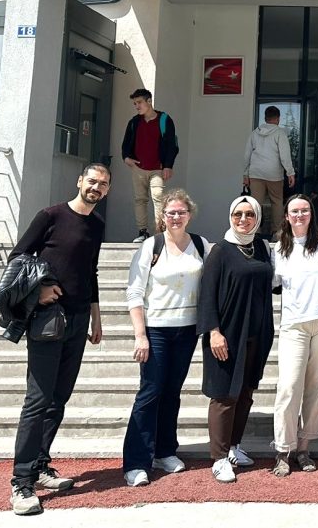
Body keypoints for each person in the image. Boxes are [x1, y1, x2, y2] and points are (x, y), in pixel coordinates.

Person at [7, 163, 108, 516]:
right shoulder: (50, 216)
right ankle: (21, 482)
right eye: (92, 180)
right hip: (48, 318)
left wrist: (96, 316)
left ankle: (39, 465)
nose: (96, 187)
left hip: (79, 320)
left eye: (103, 184)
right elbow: (18, 257)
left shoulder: (97, 225)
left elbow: (90, 271)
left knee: (58, 398)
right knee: (38, 400)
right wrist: (40, 290)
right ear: (80, 181)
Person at [121, 189, 212, 487]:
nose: (176, 217)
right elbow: (135, 292)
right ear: (162, 216)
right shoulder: (152, 246)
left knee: (172, 391)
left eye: (181, 212)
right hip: (156, 330)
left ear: (189, 214)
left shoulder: (201, 245)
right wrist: (140, 335)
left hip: (187, 330)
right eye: (171, 212)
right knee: (150, 392)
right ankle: (136, 462)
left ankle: (164, 451)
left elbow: (212, 284)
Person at [197, 195, 275, 483]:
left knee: (245, 391)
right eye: (237, 214)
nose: (243, 219)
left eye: (249, 214)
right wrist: (213, 332)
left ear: (257, 218)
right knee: (224, 394)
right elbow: (207, 294)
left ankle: (233, 447)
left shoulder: (261, 248)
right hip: (227, 335)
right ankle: (218, 457)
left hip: (256, 334)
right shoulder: (220, 251)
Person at [270, 194, 318, 477]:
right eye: (294, 211)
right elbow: (273, 284)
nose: (300, 215)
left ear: (311, 214)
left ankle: (303, 447)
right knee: (289, 387)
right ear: (286, 217)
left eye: (304, 210)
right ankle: (282, 450)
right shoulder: (279, 248)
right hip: (294, 326)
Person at [122, 88, 179, 243]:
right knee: (140, 199)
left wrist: (168, 165)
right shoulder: (134, 122)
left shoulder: (164, 119)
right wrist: (126, 158)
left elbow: (172, 145)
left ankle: (160, 233)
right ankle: (143, 232)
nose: (137, 106)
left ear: (149, 101)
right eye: (135, 103)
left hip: (157, 168)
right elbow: (126, 143)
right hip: (138, 168)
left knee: (158, 198)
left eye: (139, 102)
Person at [243, 106, 296, 236]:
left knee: (255, 204)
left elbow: (247, 155)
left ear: (265, 118)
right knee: (276, 202)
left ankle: (255, 232)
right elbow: (285, 156)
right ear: (278, 118)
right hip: (274, 174)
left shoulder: (254, 133)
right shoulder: (280, 133)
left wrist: (245, 174)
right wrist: (290, 172)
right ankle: (277, 232)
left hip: (256, 173)